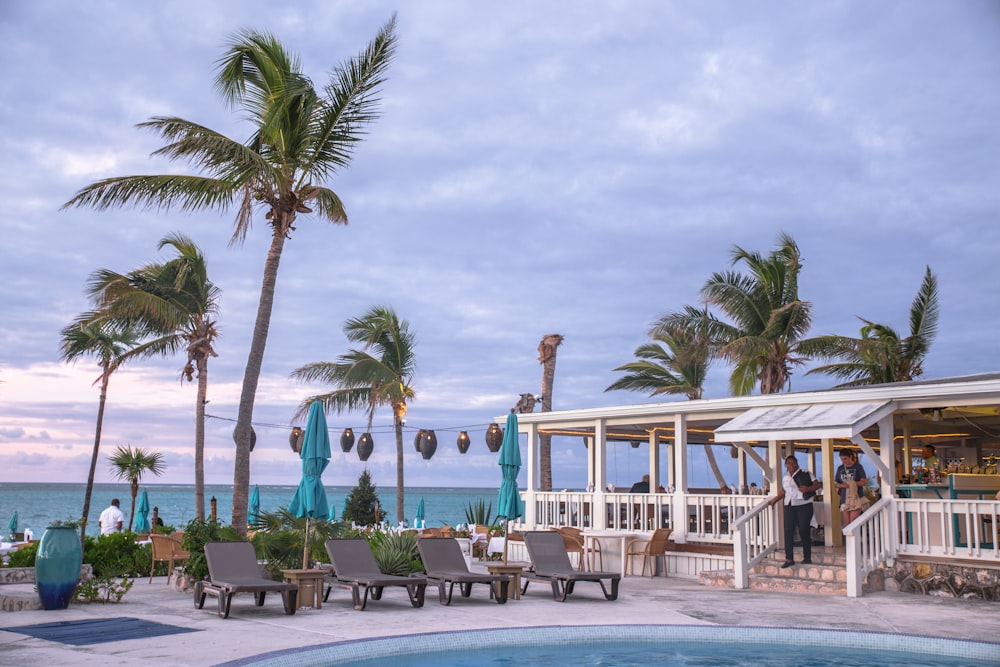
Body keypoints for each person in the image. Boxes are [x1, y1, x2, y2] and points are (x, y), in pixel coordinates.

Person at [768, 455, 821, 568]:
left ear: (797, 463)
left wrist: (808, 489)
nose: (791, 464)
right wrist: (774, 501)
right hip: (789, 505)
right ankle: (789, 558)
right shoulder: (785, 477)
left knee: (803, 530)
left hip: (804, 504)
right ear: (786, 465)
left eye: (793, 462)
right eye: (788, 463)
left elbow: (816, 485)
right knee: (788, 531)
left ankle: (807, 557)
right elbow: (784, 492)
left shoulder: (806, 473)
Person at [835, 449, 868, 526]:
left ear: (850, 457)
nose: (843, 461)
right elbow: (836, 483)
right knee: (847, 523)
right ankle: (849, 538)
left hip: (856, 498)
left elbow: (863, 481)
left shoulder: (858, 467)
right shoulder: (840, 468)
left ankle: (856, 537)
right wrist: (842, 485)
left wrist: (852, 484)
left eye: (845, 458)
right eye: (842, 459)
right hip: (844, 499)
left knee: (853, 521)